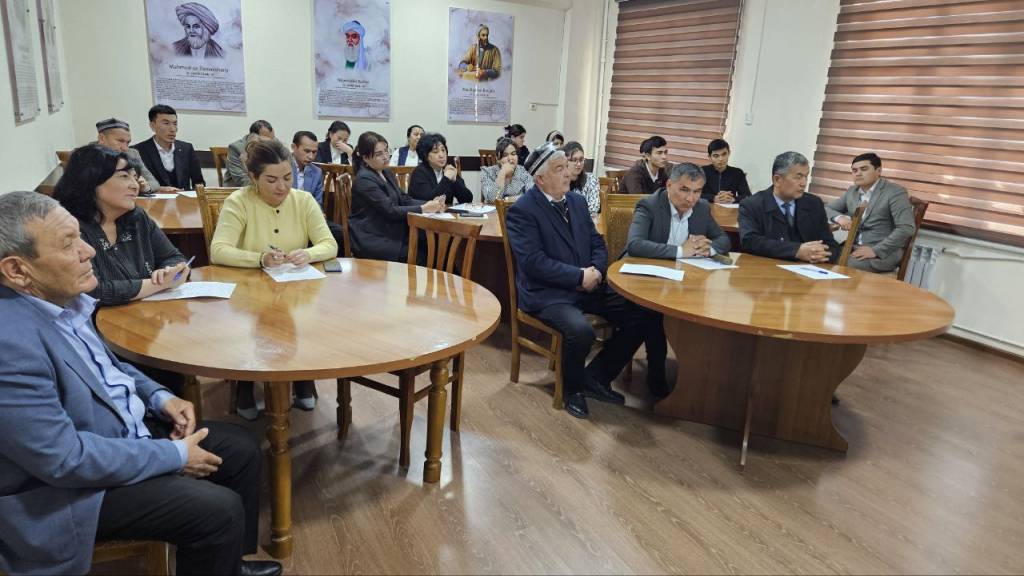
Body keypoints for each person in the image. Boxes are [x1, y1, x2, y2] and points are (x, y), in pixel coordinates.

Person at [0, 191, 281, 576]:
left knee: (241, 448)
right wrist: (173, 456)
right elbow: (64, 459)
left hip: (117, 434)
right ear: (17, 271)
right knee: (217, 510)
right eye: (68, 244)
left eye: (80, 236)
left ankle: (230, 565)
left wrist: (160, 397)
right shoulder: (10, 345)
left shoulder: (59, 301)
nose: (89, 251)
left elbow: (104, 366)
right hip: (66, 490)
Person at [505, 144, 666, 419]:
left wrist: (598, 272)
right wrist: (579, 276)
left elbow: (597, 243)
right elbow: (533, 263)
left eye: (567, 166)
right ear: (540, 179)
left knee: (643, 313)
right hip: (548, 294)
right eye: (560, 169)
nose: (568, 173)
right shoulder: (523, 210)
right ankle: (573, 389)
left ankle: (596, 377)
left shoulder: (577, 202)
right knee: (581, 331)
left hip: (590, 284)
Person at [210, 138, 338, 416]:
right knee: (252, 324)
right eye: (271, 180)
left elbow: (329, 244)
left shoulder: (303, 200)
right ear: (253, 177)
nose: (282, 187)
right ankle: (245, 384)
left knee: (309, 319)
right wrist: (259, 258)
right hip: (250, 290)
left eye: (287, 177)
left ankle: (302, 377)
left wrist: (308, 253)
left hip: (293, 289)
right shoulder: (239, 201)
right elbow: (218, 250)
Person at [54, 144, 189, 306]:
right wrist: (160, 284)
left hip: (146, 312)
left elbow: (173, 257)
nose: (135, 185)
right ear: (91, 180)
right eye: (124, 176)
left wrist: (169, 271)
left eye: (134, 177)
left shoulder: (137, 218)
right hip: (98, 319)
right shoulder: (70, 227)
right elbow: (91, 291)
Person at [348, 131, 446, 262]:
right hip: (373, 238)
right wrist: (424, 208)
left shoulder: (386, 172)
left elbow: (404, 199)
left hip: (391, 231)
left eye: (386, 151)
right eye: (379, 154)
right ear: (366, 158)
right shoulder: (364, 179)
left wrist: (431, 204)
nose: (385, 157)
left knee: (433, 245)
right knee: (423, 255)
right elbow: (390, 210)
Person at [739, 151, 840, 263]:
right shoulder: (752, 205)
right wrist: (796, 251)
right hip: (768, 268)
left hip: (807, 269)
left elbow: (830, 245)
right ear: (777, 180)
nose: (804, 183)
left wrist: (821, 254)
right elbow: (750, 241)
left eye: (806, 176)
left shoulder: (814, 204)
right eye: (798, 177)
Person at [826, 152, 916, 272]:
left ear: (878, 171)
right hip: (853, 247)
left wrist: (875, 250)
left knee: (843, 264)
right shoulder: (852, 191)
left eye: (864, 169)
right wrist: (840, 218)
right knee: (819, 253)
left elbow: (906, 228)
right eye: (854, 170)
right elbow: (826, 208)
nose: (858, 173)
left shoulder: (895, 192)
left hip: (882, 253)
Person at [626, 162, 731, 260]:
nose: (690, 199)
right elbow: (634, 244)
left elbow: (723, 239)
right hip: (649, 267)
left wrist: (707, 249)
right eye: (684, 190)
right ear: (669, 185)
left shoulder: (701, 207)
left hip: (687, 270)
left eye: (696, 191)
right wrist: (681, 251)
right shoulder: (649, 205)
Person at [133, 104, 205, 192]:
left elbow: (199, 183)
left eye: (175, 124)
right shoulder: (138, 151)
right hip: (154, 199)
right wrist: (159, 189)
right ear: (152, 126)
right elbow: (135, 185)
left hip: (184, 198)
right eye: (166, 123)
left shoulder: (187, 148)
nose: (172, 129)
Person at [94, 117, 159, 193]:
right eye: (120, 141)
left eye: (128, 143)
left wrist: (145, 187)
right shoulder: (87, 156)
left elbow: (154, 183)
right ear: (102, 138)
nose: (125, 148)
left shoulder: (132, 153)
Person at [408, 132, 473, 204]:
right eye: (435, 152)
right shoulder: (419, 173)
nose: (441, 155)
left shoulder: (448, 170)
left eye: (443, 150)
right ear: (425, 156)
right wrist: (446, 179)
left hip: (446, 211)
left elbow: (468, 199)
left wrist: (456, 181)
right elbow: (429, 201)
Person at [481, 137, 533, 203]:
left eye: (513, 154)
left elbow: (532, 196)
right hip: (495, 209)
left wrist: (507, 199)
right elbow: (492, 199)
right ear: (497, 158)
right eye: (505, 155)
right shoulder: (488, 172)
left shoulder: (523, 171)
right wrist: (502, 173)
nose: (510, 158)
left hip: (518, 208)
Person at [225, 120, 275, 187]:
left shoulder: (272, 144)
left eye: (272, 139)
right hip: (237, 189)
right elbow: (242, 181)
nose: (270, 145)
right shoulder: (236, 148)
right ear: (253, 137)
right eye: (265, 141)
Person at [701, 138, 751, 204]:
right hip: (707, 208)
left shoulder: (738, 173)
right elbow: (695, 193)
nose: (721, 159)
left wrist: (733, 199)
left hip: (729, 208)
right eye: (716, 156)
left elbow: (748, 196)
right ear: (709, 157)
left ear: (729, 153)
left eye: (724, 154)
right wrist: (713, 198)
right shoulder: (702, 172)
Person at [563, 141, 600, 214]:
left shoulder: (591, 179)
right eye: (574, 160)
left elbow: (594, 207)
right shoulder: (560, 181)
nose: (579, 164)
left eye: (581, 159)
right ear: (565, 161)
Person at [291, 130, 324, 206]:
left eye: (314, 152)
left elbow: (317, 204)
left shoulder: (317, 172)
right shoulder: (282, 167)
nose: (311, 157)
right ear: (294, 147)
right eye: (307, 151)